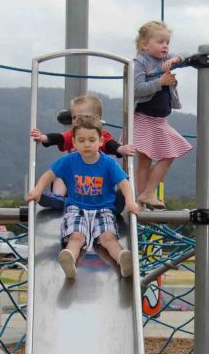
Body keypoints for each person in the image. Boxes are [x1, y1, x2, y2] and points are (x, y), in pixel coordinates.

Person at [25, 117, 142, 280]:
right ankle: (69, 259)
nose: (86, 144)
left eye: (91, 140)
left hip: (103, 209)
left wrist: (130, 201)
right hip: (76, 208)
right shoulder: (69, 160)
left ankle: (122, 259)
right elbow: (49, 174)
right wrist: (37, 190)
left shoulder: (108, 163)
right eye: (81, 140)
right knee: (76, 237)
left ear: (100, 141)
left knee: (108, 238)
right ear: (74, 142)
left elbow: (124, 183)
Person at [29, 95, 135, 209]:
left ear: (97, 119)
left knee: (111, 176)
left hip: (96, 184)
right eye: (74, 118)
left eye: (83, 117)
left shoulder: (99, 135)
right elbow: (59, 138)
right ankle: (58, 197)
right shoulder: (73, 135)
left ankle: (113, 202)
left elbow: (110, 144)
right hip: (76, 186)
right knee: (60, 172)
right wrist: (43, 137)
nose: (77, 121)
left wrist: (120, 149)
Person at [132, 20, 193, 209]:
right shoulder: (140, 62)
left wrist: (176, 60)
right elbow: (136, 89)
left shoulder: (165, 60)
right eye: (160, 42)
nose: (165, 46)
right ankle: (144, 195)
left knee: (168, 153)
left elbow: (189, 55)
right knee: (146, 158)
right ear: (144, 45)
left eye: (167, 42)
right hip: (144, 118)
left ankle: (145, 194)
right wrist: (161, 82)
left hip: (159, 120)